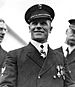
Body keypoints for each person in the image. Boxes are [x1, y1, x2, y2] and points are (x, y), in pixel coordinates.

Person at [0, 4, 75, 87]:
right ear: (29, 28)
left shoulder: (60, 58)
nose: (38, 26)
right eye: (35, 23)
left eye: (43, 23)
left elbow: (70, 85)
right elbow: (6, 85)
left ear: (50, 29)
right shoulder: (15, 56)